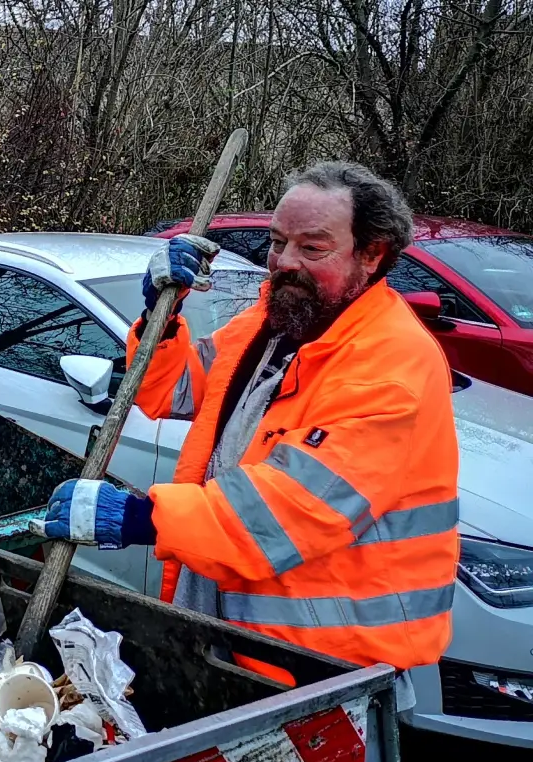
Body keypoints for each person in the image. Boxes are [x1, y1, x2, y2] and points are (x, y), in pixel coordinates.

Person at [39, 161, 459, 682]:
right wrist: (160, 316)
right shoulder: (274, 326)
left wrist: (141, 518)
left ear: (372, 255)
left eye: (312, 248)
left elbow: (288, 512)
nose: (284, 263)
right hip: (236, 640)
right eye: (278, 242)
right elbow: (172, 390)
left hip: (324, 669)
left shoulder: (389, 368)